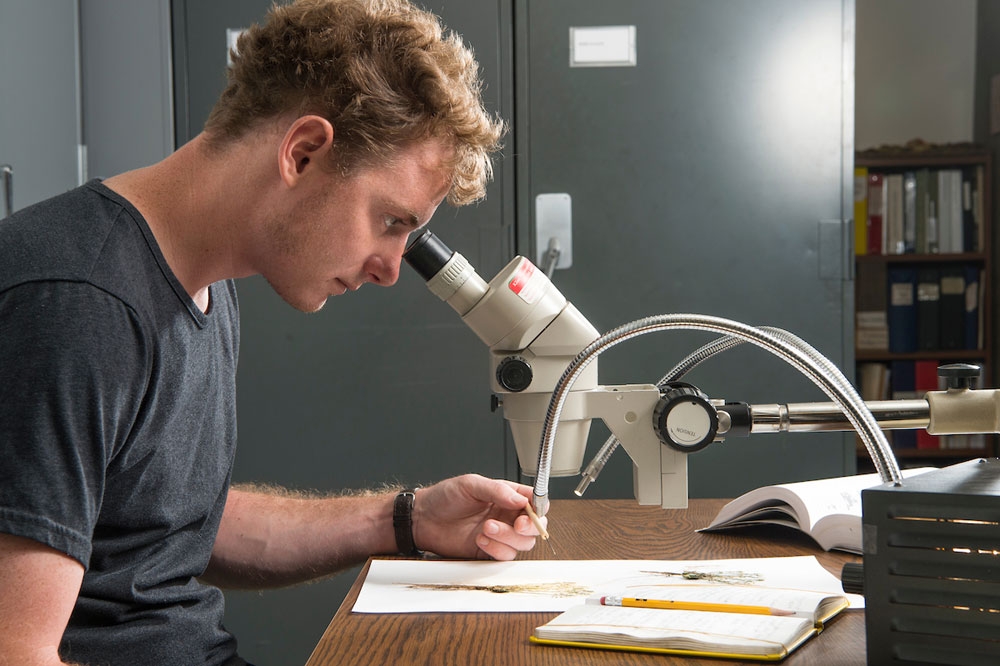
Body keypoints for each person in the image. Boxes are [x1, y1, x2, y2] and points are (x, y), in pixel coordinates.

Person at [0, 1, 545, 664]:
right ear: (303, 152)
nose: (389, 270)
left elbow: (161, 524)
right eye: (390, 223)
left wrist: (408, 518)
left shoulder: (201, 280)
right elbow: (17, 651)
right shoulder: (77, 304)